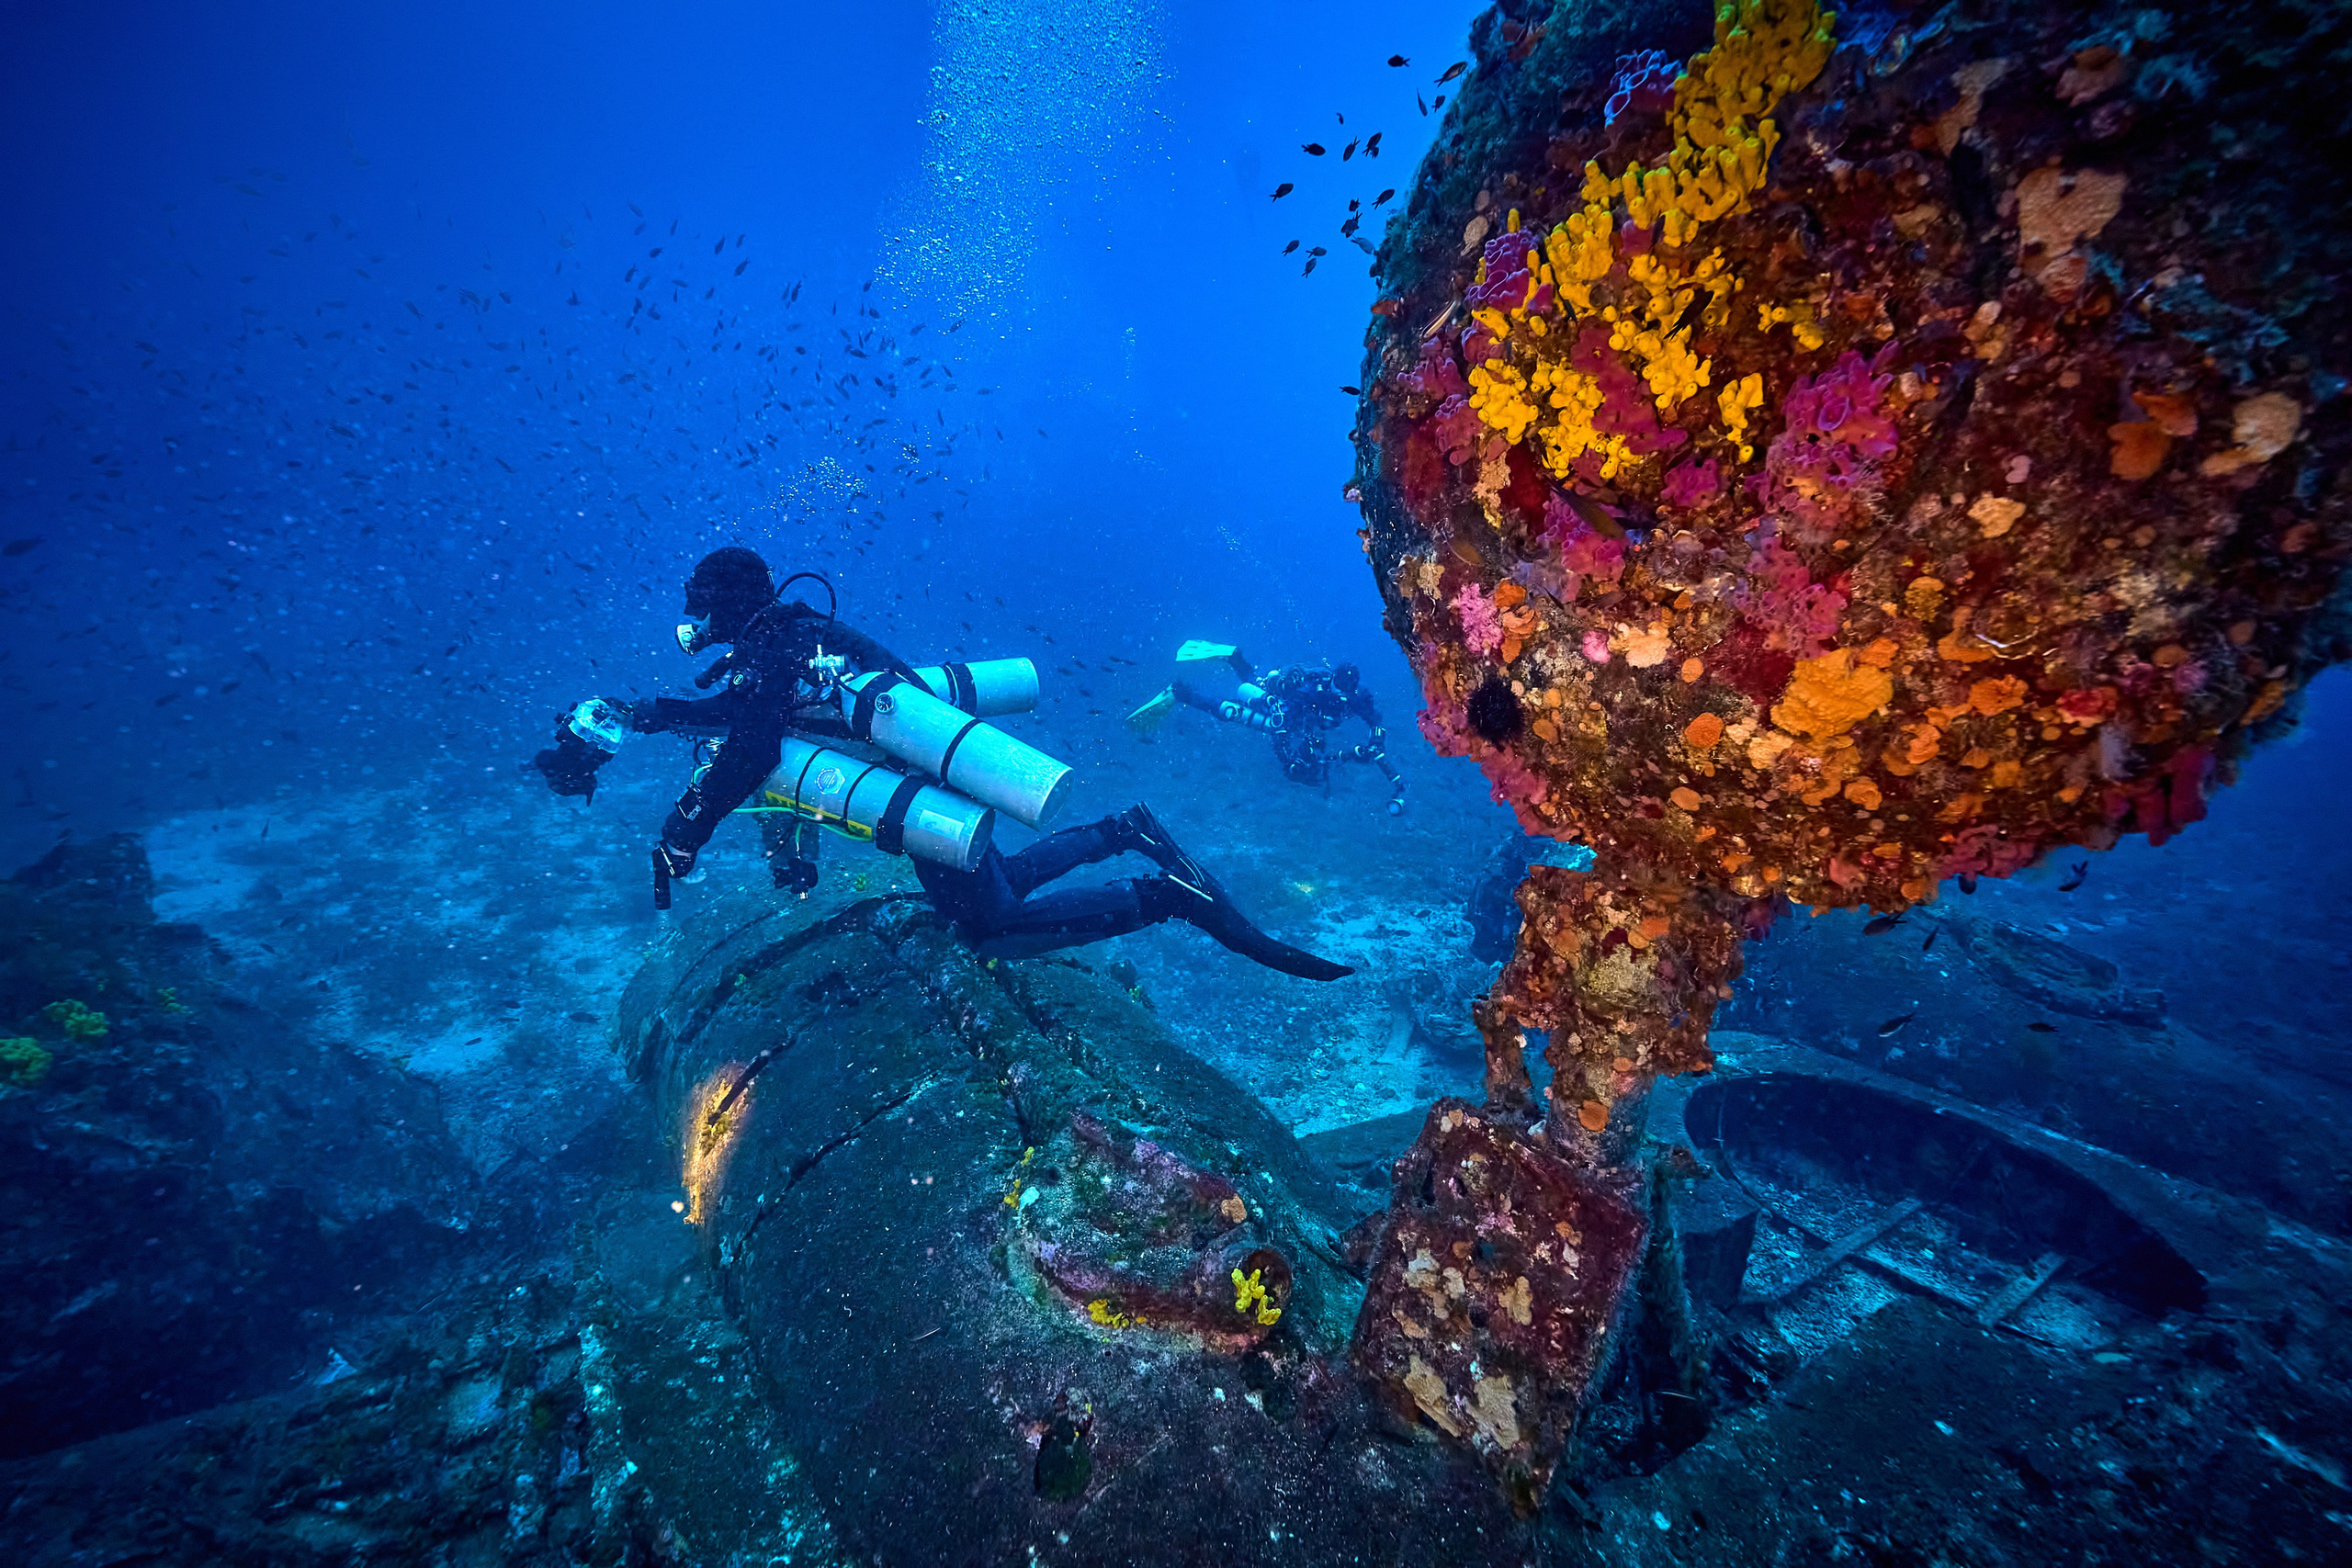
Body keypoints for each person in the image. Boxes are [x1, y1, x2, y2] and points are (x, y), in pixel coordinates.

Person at [534, 547, 1350, 981]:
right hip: (928, 764)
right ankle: (1120, 829)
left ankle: (1159, 894)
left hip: (923, 776)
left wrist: (686, 828)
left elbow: (750, 746)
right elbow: (746, 717)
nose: (690, 619)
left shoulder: (775, 644)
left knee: (983, 922)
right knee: (992, 882)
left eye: (699, 606)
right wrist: (641, 717)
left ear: (729, 605)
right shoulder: (782, 639)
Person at [1126, 644, 1404, 814]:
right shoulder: (1311, 692)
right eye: (1338, 693)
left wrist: (1376, 745)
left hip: (1300, 718)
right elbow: (1280, 728)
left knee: (1258, 688)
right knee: (1251, 715)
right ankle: (1183, 692)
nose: (1341, 699)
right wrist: (1287, 759)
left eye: (1346, 695)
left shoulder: (1357, 698)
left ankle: (1236, 658)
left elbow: (1375, 721)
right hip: (1287, 709)